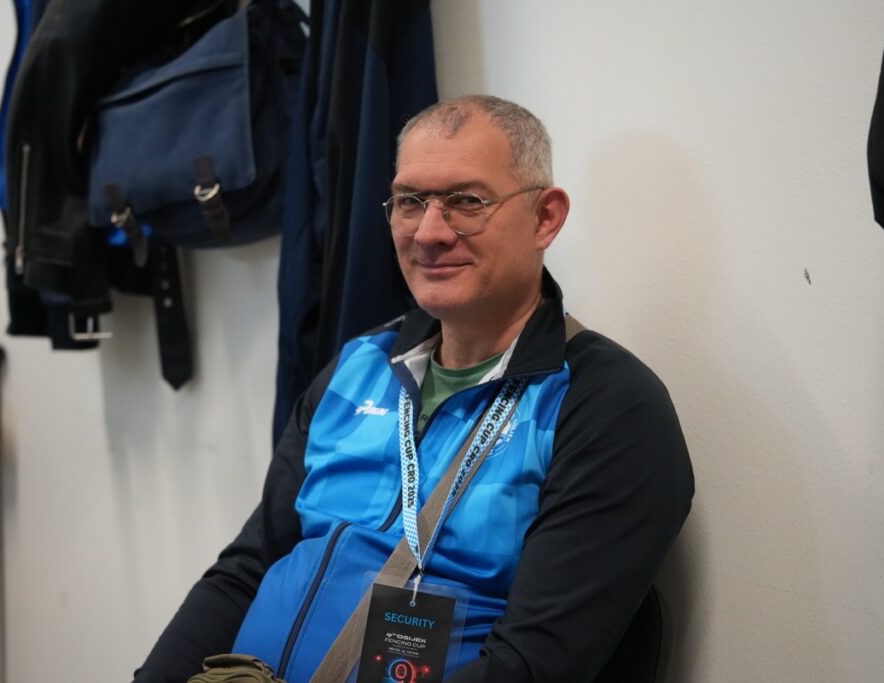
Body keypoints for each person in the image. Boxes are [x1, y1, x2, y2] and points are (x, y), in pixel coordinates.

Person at [135, 95, 694, 682]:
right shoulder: (359, 366)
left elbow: (531, 668)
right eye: (409, 202)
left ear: (545, 218)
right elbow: (247, 569)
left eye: (466, 202)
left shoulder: (606, 405)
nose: (429, 233)